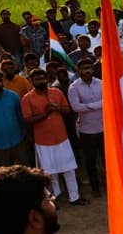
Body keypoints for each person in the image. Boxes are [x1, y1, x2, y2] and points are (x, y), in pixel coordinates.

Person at [20, 69, 82, 205]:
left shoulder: (56, 92)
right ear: (31, 81)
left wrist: (56, 108)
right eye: (37, 79)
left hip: (62, 138)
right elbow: (27, 120)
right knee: (50, 173)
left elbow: (67, 110)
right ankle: (55, 198)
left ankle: (75, 197)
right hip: (43, 141)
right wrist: (45, 113)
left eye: (43, 78)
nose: (41, 81)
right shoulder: (27, 98)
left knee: (69, 169)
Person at [68, 58, 105, 198]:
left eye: (89, 67)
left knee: (107, 160)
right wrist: (97, 105)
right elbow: (76, 107)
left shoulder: (102, 83)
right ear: (78, 70)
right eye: (83, 68)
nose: (87, 70)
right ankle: (95, 189)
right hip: (86, 131)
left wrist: (87, 106)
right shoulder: (74, 87)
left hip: (103, 128)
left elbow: (107, 100)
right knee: (90, 162)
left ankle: (109, 185)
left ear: (93, 68)